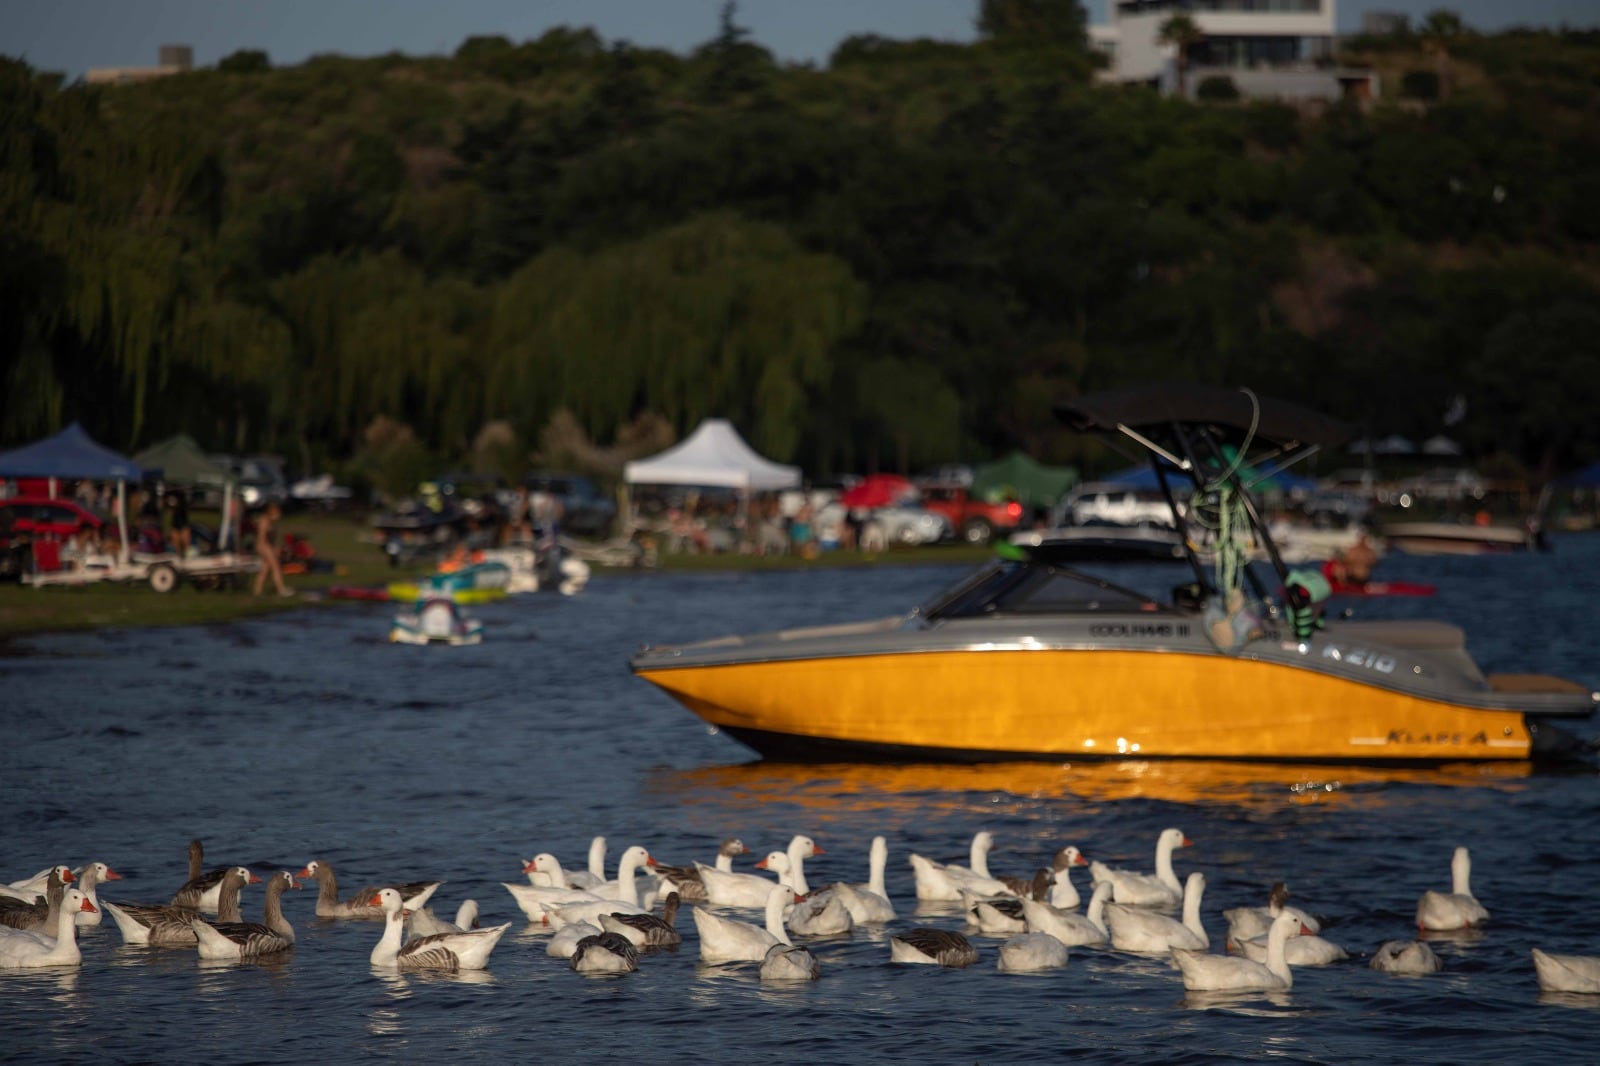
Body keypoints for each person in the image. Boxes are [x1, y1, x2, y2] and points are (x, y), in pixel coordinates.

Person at [251, 502, 290, 597]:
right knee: (275, 567)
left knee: (265, 569)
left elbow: (271, 538)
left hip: (267, 546)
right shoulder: (264, 520)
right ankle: (281, 589)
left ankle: (257, 590)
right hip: (263, 546)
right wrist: (266, 549)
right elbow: (261, 537)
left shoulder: (270, 521)